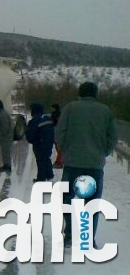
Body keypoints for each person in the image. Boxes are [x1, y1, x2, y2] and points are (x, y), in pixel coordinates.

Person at [55, 82, 118, 248]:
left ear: (80, 93)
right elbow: (113, 138)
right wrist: (103, 152)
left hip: (73, 163)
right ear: (95, 94)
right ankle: (89, 239)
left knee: (67, 198)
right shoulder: (106, 111)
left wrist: (65, 150)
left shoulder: (70, 108)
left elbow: (59, 132)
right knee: (92, 201)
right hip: (95, 165)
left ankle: (69, 236)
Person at [25, 103, 54, 182]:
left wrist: (33, 141)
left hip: (39, 144)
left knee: (40, 160)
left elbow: (30, 134)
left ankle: (41, 178)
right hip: (49, 142)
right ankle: (49, 175)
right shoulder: (47, 117)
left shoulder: (35, 120)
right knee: (46, 158)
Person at [0, 100, 13, 173]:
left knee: (6, 152)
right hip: (4, 138)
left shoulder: (3, 115)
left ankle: (8, 167)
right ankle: (6, 165)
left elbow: (5, 127)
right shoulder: (1, 114)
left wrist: (2, 136)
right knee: (4, 152)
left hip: (5, 138)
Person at [50, 103, 64, 168]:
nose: (51, 109)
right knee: (58, 148)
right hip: (57, 132)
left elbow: (56, 122)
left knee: (58, 148)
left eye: (52, 107)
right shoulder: (58, 114)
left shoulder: (56, 114)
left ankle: (59, 162)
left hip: (56, 132)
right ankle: (60, 161)